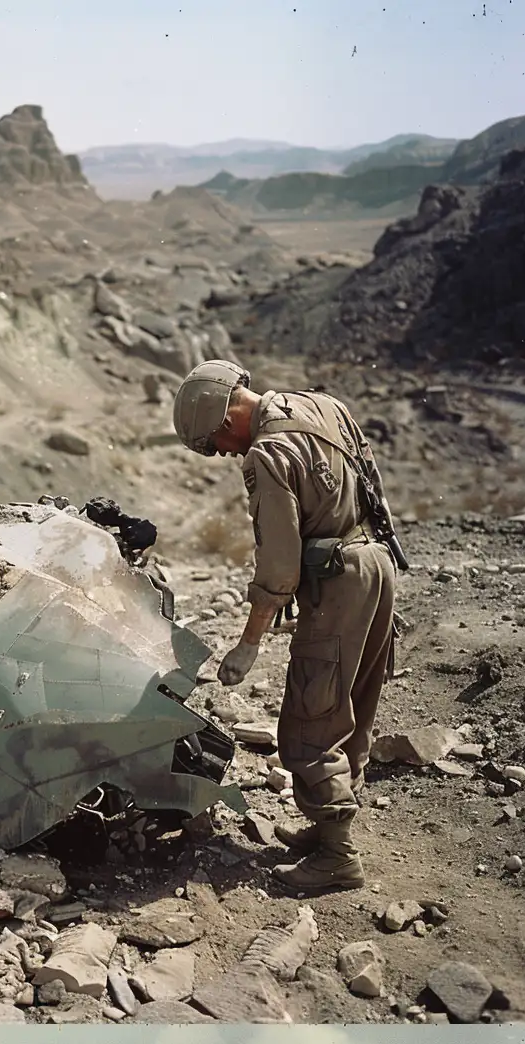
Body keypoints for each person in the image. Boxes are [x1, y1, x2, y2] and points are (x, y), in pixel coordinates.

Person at [174, 359, 402, 894]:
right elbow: (373, 488)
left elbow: (279, 565)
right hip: (376, 565)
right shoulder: (324, 404)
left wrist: (249, 643)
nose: (223, 453)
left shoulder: (267, 453)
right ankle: (329, 830)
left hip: (337, 583)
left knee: (309, 720)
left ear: (229, 412)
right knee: (353, 709)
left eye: (215, 442)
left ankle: (338, 857)